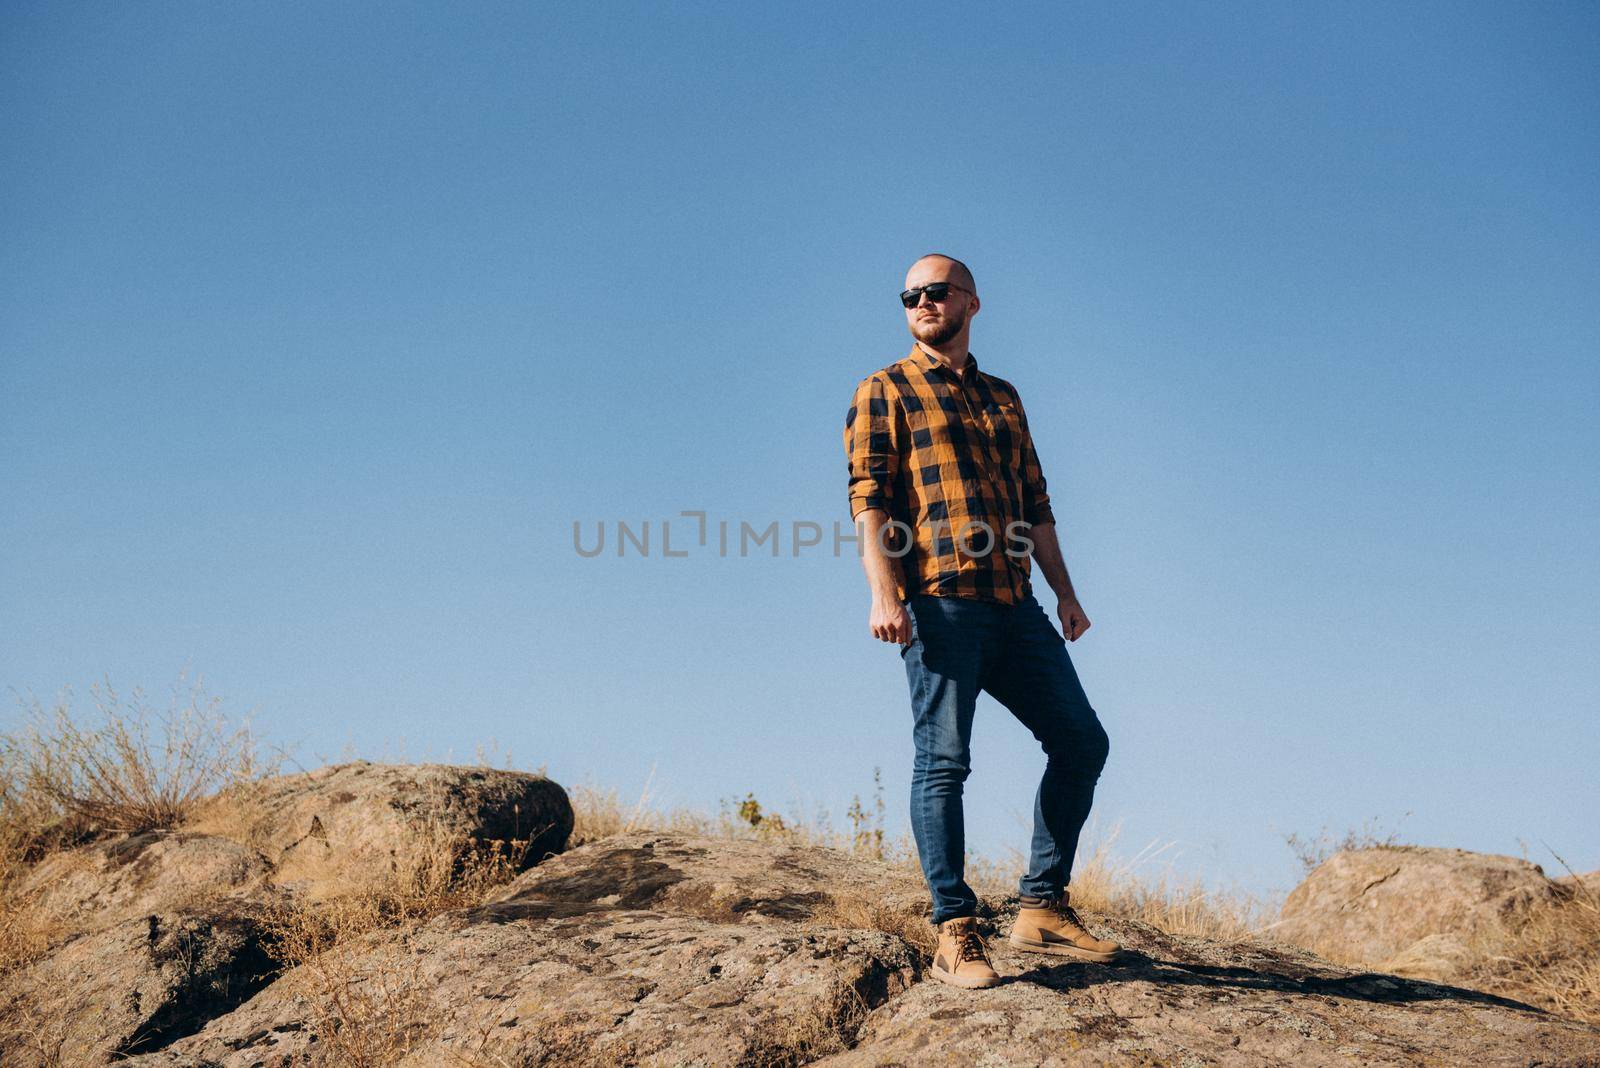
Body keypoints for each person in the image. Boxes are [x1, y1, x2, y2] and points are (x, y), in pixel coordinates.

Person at [842, 253, 1120, 989]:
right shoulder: (885, 389)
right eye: (910, 295)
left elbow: (1037, 503)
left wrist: (1065, 592)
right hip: (937, 600)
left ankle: (1042, 906)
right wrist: (884, 594)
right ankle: (955, 930)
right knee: (945, 762)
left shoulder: (1003, 397)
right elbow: (868, 502)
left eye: (936, 291)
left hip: (1014, 604)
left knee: (1081, 740)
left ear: (970, 301)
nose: (922, 302)